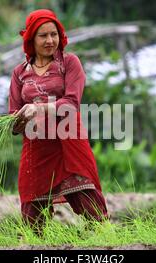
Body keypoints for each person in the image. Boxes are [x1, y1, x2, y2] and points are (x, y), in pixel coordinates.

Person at [8, 9, 108, 234]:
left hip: (68, 144)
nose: (50, 40)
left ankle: (107, 244)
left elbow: (72, 104)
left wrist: (38, 108)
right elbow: (13, 117)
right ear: (31, 39)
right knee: (32, 217)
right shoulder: (19, 73)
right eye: (43, 35)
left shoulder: (69, 63)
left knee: (90, 206)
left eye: (54, 34)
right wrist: (17, 120)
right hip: (37, 148)